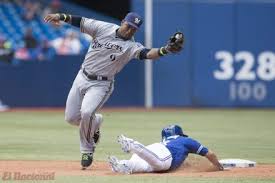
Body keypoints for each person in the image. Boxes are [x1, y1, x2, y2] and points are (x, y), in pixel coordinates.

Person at [44, 12, 184, 170]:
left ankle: (87, 150)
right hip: (82, 76)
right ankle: (96, 123)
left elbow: (147, 53)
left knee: (86, 112)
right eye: (129, 26)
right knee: (71, 118)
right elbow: (80, 21)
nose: (130, 30)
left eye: (134, 29)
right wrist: (60, 17)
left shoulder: (131, 46)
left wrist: (165, 50)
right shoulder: (103, 27)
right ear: (123, 21)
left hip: (101, 84)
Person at [108, 124, 224, 174]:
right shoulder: (185, 140)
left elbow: (182, 161)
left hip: (153, 149)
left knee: (143, 167)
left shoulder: (166, 141)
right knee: (159, 164)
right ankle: (132, 144)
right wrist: (218, 166)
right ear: (180, 133)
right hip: (164, 154)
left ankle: (120, 164)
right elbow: (210, 154)